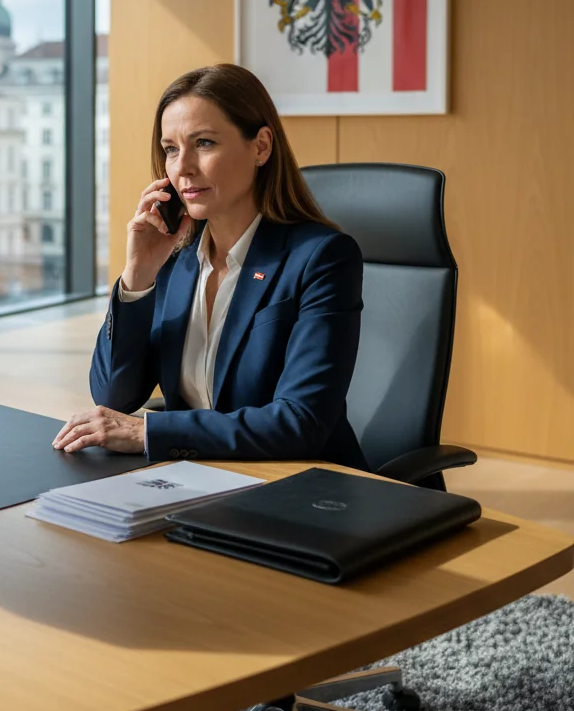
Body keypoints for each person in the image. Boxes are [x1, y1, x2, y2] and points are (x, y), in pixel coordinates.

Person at [53, 63, 367, 469]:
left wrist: (148, 432)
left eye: (203, 143)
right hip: (199, 475)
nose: (181, 167)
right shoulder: (174, 259)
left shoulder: (322, 258)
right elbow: (113, 396)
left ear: (261, 147)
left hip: (299, 484)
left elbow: (301, 423)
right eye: (170, 149)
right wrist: (137, 276)